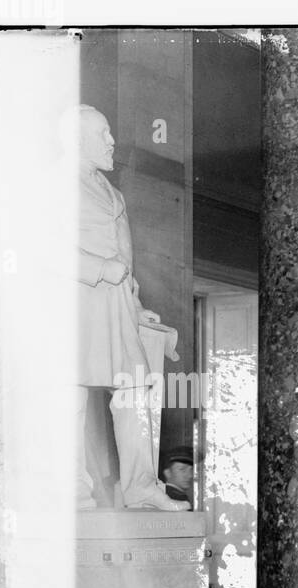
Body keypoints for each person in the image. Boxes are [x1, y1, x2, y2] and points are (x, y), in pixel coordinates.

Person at [69, 104, 189, 512]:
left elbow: (126, 260)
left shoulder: (114, 193)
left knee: (135, 390)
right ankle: (70, 491)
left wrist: (136, 307)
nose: (112, 141)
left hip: (118, 305)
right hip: (77, 303)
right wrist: (100, 268)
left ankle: (140, 486)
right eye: (102, 134)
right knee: (72, 394)